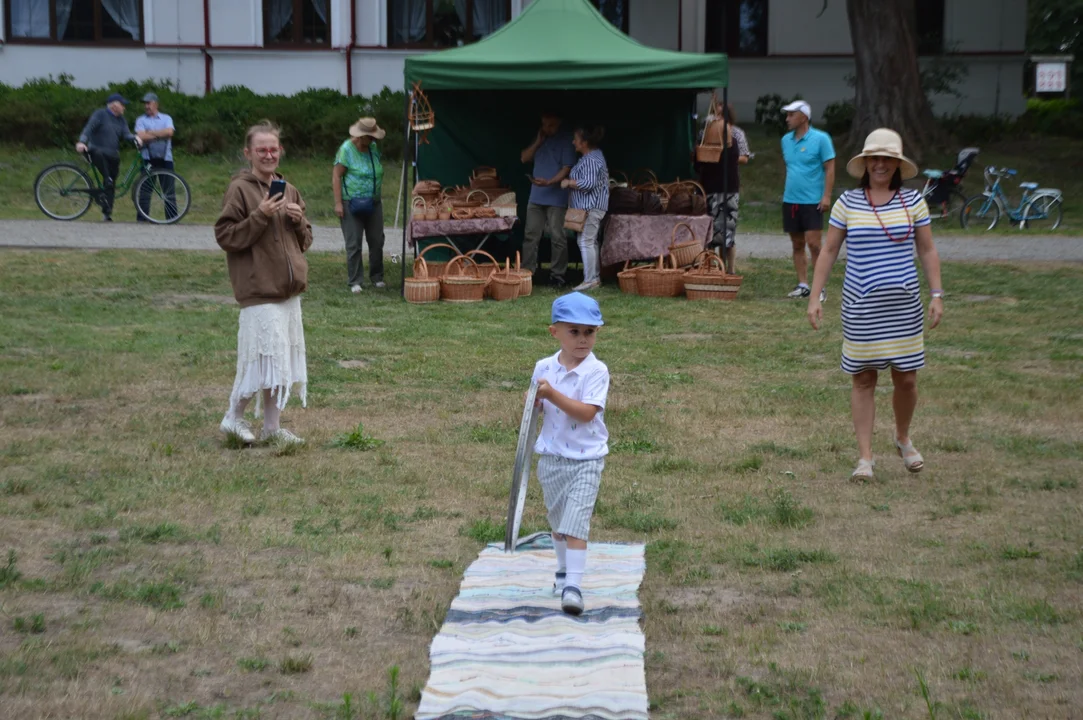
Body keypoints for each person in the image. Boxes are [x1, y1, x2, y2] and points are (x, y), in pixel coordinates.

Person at [807, 128, 944, 482]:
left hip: (903, 307)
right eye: (875, 158)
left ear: (897, 164)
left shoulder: (913, 202)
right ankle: (865, 459)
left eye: (887, 159)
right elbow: (830, 250)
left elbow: (927, 250)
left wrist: (937, 295)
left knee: (907, 379)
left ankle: (902, 437)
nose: (880, 164)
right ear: (865, 163)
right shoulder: (847, 203)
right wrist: (815, 295)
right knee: (864, 379)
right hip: (861, 307)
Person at [215, 120, 313, 447]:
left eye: (273, 149)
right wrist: (259, 215)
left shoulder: (289, 188)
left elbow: (306, 240)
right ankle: (233, 416)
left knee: (279, 361)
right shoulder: (239, 189)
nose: (269, 155)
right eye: (262, 150)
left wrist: (298, 223)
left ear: (280, 151)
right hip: (259, 290)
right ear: (248, 153)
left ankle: (272, 428)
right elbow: (226, 236)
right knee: (261, 360)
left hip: (287, 290)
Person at [531, 292, 610, 616]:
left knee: (576, 523)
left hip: (586, 459)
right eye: (574, 331)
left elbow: (586, 413)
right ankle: (563, 571)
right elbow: (534, 409)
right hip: (551, 458)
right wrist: (533, 400)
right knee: (559, 523)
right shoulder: (544, 367)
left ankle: (573, 586)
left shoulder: (596, 371)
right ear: (555, 332)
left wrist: (552, 393)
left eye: (589, 332)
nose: (582, 339)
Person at [780, 100, 835, 300]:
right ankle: (803, 285)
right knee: (797, 244)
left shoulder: (821, 139)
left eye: (791, 115)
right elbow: (789, 167)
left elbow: (830, 168)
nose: (787, 119)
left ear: (803, 117)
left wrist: (827, 195)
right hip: (791, 200)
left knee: (814, 244)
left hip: (813, 201)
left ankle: (819, 288)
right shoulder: (786, 140)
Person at [521, 112, 576, 287]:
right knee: (531, 235)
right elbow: (524, 158)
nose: (547, 128)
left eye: (551, 125)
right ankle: (527, 273)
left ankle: (558, 275)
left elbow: (567, 168)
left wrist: (549, 182)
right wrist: (538, 141)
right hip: (536, 196)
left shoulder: (567, 140)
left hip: (556, 197)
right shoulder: (540, 139)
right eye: (544, 124)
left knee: (557, 237)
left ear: (559, 122)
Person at [333, 117, 387, 293]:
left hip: (373, 201)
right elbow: (336, 176)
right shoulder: (346, 150)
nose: (373, 140)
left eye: (374, 138)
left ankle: (377, 276)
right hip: (351, 203)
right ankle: (355, 280)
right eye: (370, 137)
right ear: (360, 136)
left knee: (377, 240)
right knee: (354, 242)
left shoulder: (372, 148)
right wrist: (338, 203)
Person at [696, 103, 749, 274]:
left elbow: (743, 156)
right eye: (714, 116)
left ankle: (730, 271)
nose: (716, 119)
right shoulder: (703, 135)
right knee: (710, 233)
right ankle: (712, 268)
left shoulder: (735, 135)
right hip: (709, 187)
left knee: (727, 233)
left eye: (719, 116)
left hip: (728, 189)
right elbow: (698, 160)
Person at [75, 93, 142, 222]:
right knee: (108, 177)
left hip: (113, 154)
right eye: (122, 105)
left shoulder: (121, 120)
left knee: (111, 182)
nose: (124, 108)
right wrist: (82, 142)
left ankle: (107, 213)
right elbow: (88, 129)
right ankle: (107, 178)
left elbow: (126, 134)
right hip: (97, 151)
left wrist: (135, 138)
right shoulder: (100, 114)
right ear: (114, 105)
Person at [560, 125, 609, 292]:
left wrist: (568, 182)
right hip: (591, 207)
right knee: (590, 241)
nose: (573, 142)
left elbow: (588, 184)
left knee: (585, 241)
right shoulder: (593, 157)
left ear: (585, 142)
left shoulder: (591, 160)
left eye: (576, 140)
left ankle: (589, 280)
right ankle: (594, 278)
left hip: (590, 207)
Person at [134, 91, 177, 222]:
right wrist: (160, 135)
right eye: (145, 104)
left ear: (156, 104)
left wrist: (151, 134)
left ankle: (172, 219)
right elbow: (140, 136)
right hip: (147, 158)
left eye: (149, 103)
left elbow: (170, 132)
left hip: (166, 158)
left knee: (168, 191)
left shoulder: (166, 118)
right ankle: (142, 219)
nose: (146, 106)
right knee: (145, 190)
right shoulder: (140, 120)